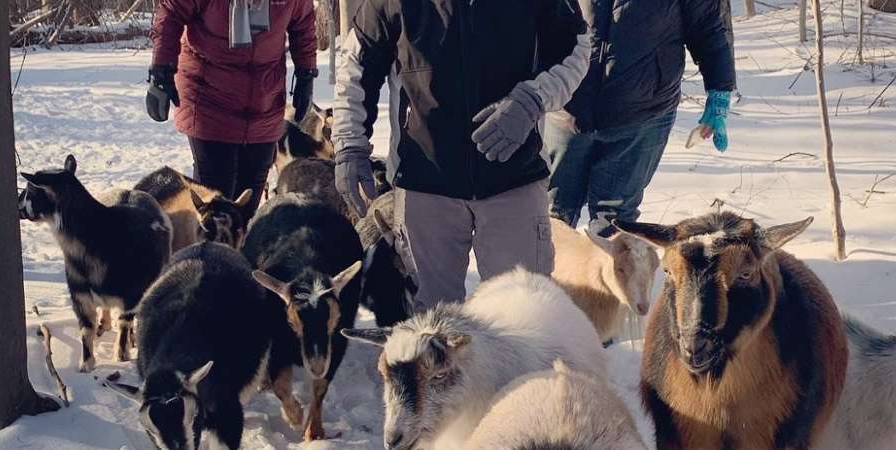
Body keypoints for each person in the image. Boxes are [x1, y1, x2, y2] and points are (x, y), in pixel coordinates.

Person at [333, 0, 589, 310]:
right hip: (424, 183)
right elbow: (357, 65)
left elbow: (575, 50)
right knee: (432, 323)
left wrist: (532, 99)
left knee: (525, 313)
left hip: (514, 178)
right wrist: (349, 145)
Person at [545, 0, 736, 229]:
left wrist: (719, 91)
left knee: (613, 224)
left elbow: (709, 25)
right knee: (551, 217)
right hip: (564, 108)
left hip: (642, 115)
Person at [148, 0, 317, 206]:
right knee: (215, 197)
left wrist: (306, 73)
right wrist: (161, 71)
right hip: (208, 97)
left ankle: (243, 236)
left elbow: (303, 24)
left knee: (248, 199)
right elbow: (171, 13)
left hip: (264, 101)